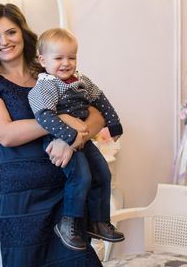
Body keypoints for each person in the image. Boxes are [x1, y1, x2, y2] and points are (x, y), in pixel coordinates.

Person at [0, 3, 106, 267]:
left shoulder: (50, 72)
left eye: (10, 32)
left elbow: (96, 116)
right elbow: (6, 134)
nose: (4, 41)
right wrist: (59, 121)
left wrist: (70, 140)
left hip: (65, 196)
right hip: (23, 202)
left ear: (23, 34)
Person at [28, 28, 124, 252]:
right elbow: (44, 116)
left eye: (71, 57)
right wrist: (70, 137)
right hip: (57, 136)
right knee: (81, 175)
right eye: (59, 58)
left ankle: (98, 222)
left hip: (80, 138)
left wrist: (114, 123)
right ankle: (68, 222)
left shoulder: (80, 80)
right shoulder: (46, 84)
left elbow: (100, 99)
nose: (66, 63)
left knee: (102, 172)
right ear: (43, 60)